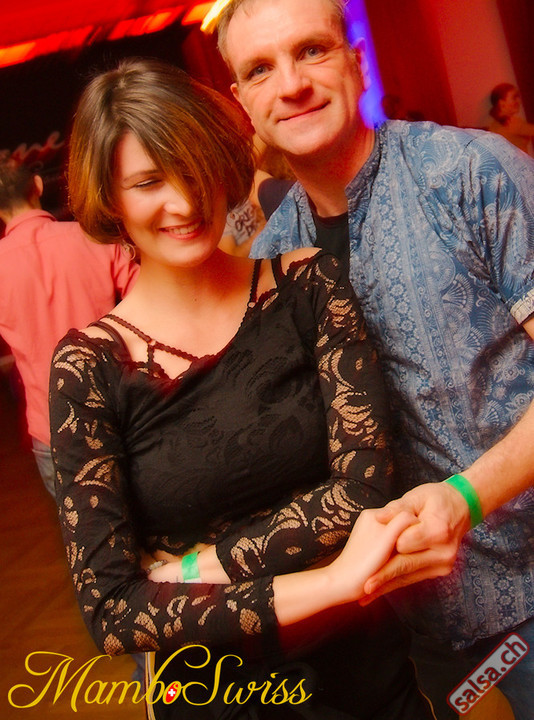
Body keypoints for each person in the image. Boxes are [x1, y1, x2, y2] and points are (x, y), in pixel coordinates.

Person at [48, 58, 433, 720]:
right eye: (148, 182)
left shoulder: (309, 286)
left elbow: (363, 489)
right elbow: (113, 612)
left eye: (193, 167)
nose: (184, 202)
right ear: (109, 198)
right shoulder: (90, 368)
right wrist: (332, 580)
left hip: (366, 672)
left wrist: (194, 571)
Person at [215, 0, 534, 720]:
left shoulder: (470, 172)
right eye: (260, 70)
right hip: (408, 621)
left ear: (355, 61)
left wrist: (467, 497)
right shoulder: (273, 256)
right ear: (243, 101)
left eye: (312, 51)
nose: (292, 84)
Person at [0, 160, 137, 496]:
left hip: (51, 428)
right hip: (121, 412)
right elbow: (152, 299)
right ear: (37, 185)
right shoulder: (91, 236)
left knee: (87, 526)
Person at [488, 82, 534, 154]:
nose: (519, 101)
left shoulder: (494, 125)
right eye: (514, 97)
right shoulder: (512, 123)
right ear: (502, 103)